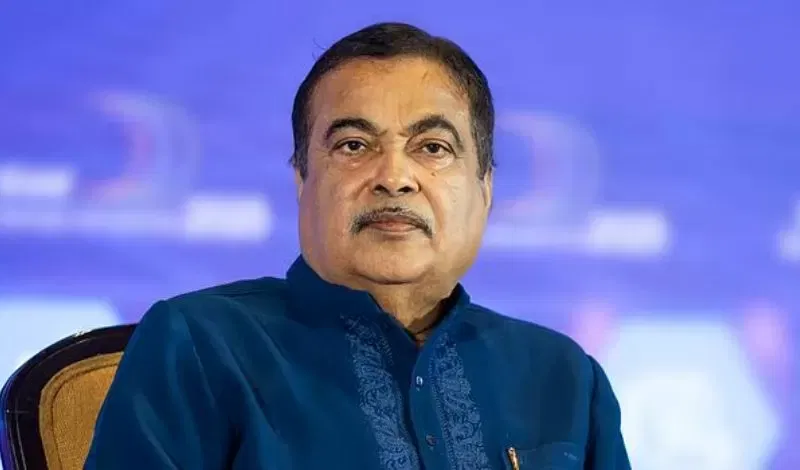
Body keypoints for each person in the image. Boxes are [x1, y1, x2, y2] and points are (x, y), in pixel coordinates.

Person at [85, 22, 630, 469]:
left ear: (484, 189)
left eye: (433, 148)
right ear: (302, 179)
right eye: (353, 145)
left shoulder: (565, 378)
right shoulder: (200, 345)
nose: (394, 177)